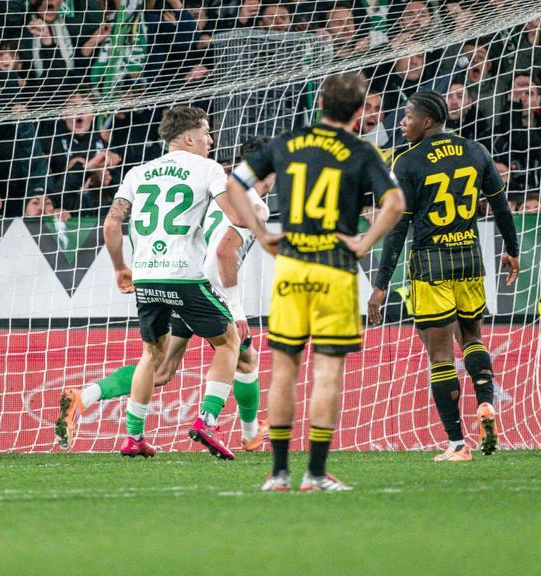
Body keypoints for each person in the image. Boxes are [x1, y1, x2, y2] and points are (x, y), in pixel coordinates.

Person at [228, 72, 404, 492]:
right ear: (360, 112)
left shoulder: (287, 143)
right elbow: (395, 202)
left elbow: (235, 182)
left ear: (320, 101)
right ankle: (316, 472)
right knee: (326, 372)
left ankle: (279, 473)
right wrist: (364, 243)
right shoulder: (361, 151)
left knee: (284, 369)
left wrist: (262, 230)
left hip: (291, 266)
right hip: (335, 271)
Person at [56, 136, 277, 452]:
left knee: (161, 368)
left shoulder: (218, 188)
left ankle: (85, 396)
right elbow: (225, 252)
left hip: (171, 277)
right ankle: (235, 428)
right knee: (239, 352)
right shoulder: (252, 204)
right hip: (202, 285)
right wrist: (236, 307)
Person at [368, 90, 521, 461]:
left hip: (430, 264)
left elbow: (398, 228)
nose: (401, 123)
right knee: (472, 337)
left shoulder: (407, 162)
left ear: (428, 121)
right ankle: (485, 403)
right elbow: (500, 205)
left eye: (407, 117)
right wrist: (513, 250)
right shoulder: (476, 151)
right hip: (469, 259)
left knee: (440, 356)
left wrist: (380, 284)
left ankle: (456, 444)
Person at [101, 105, 260, 459]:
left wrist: (119, 268)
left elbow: (112, 224)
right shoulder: (208, 168)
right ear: (189, 137)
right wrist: (257, 219)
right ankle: (207, 420)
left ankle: (134, 436)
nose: (210, 140)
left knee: (150, 354)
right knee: (229, 342)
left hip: (145, 274)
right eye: (206, 133)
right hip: (183, 274)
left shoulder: (138, 172)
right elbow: (235, 215)